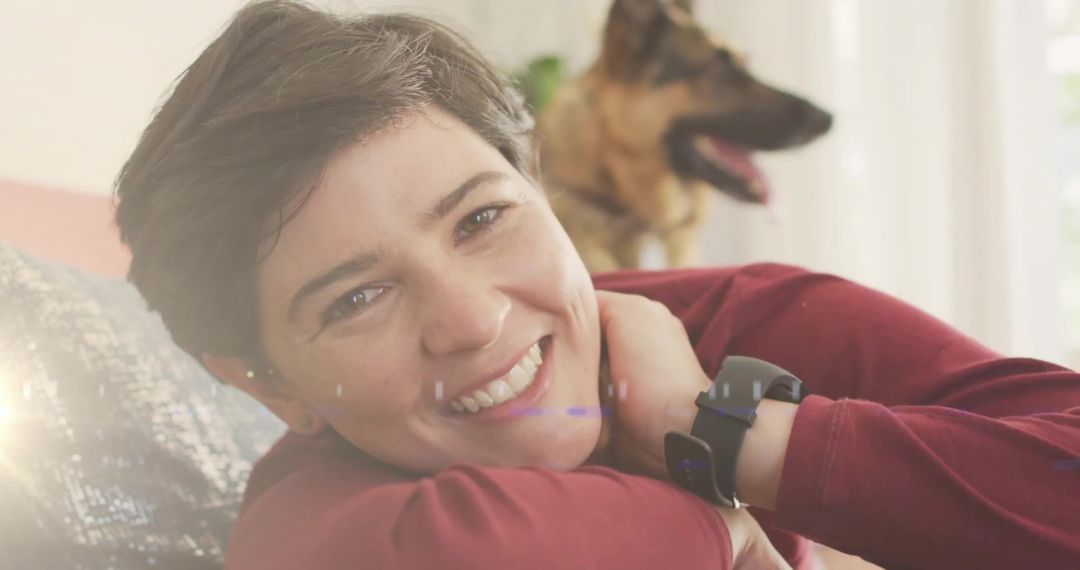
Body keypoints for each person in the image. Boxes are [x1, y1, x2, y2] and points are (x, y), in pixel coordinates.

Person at [113, 1, 1080, 568]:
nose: (476, 320)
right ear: (265, 384)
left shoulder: (734, 316)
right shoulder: (322, 510)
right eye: (355, 298)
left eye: (482, 219)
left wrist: (714, 431)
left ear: (539, 188)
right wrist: (722, 510)